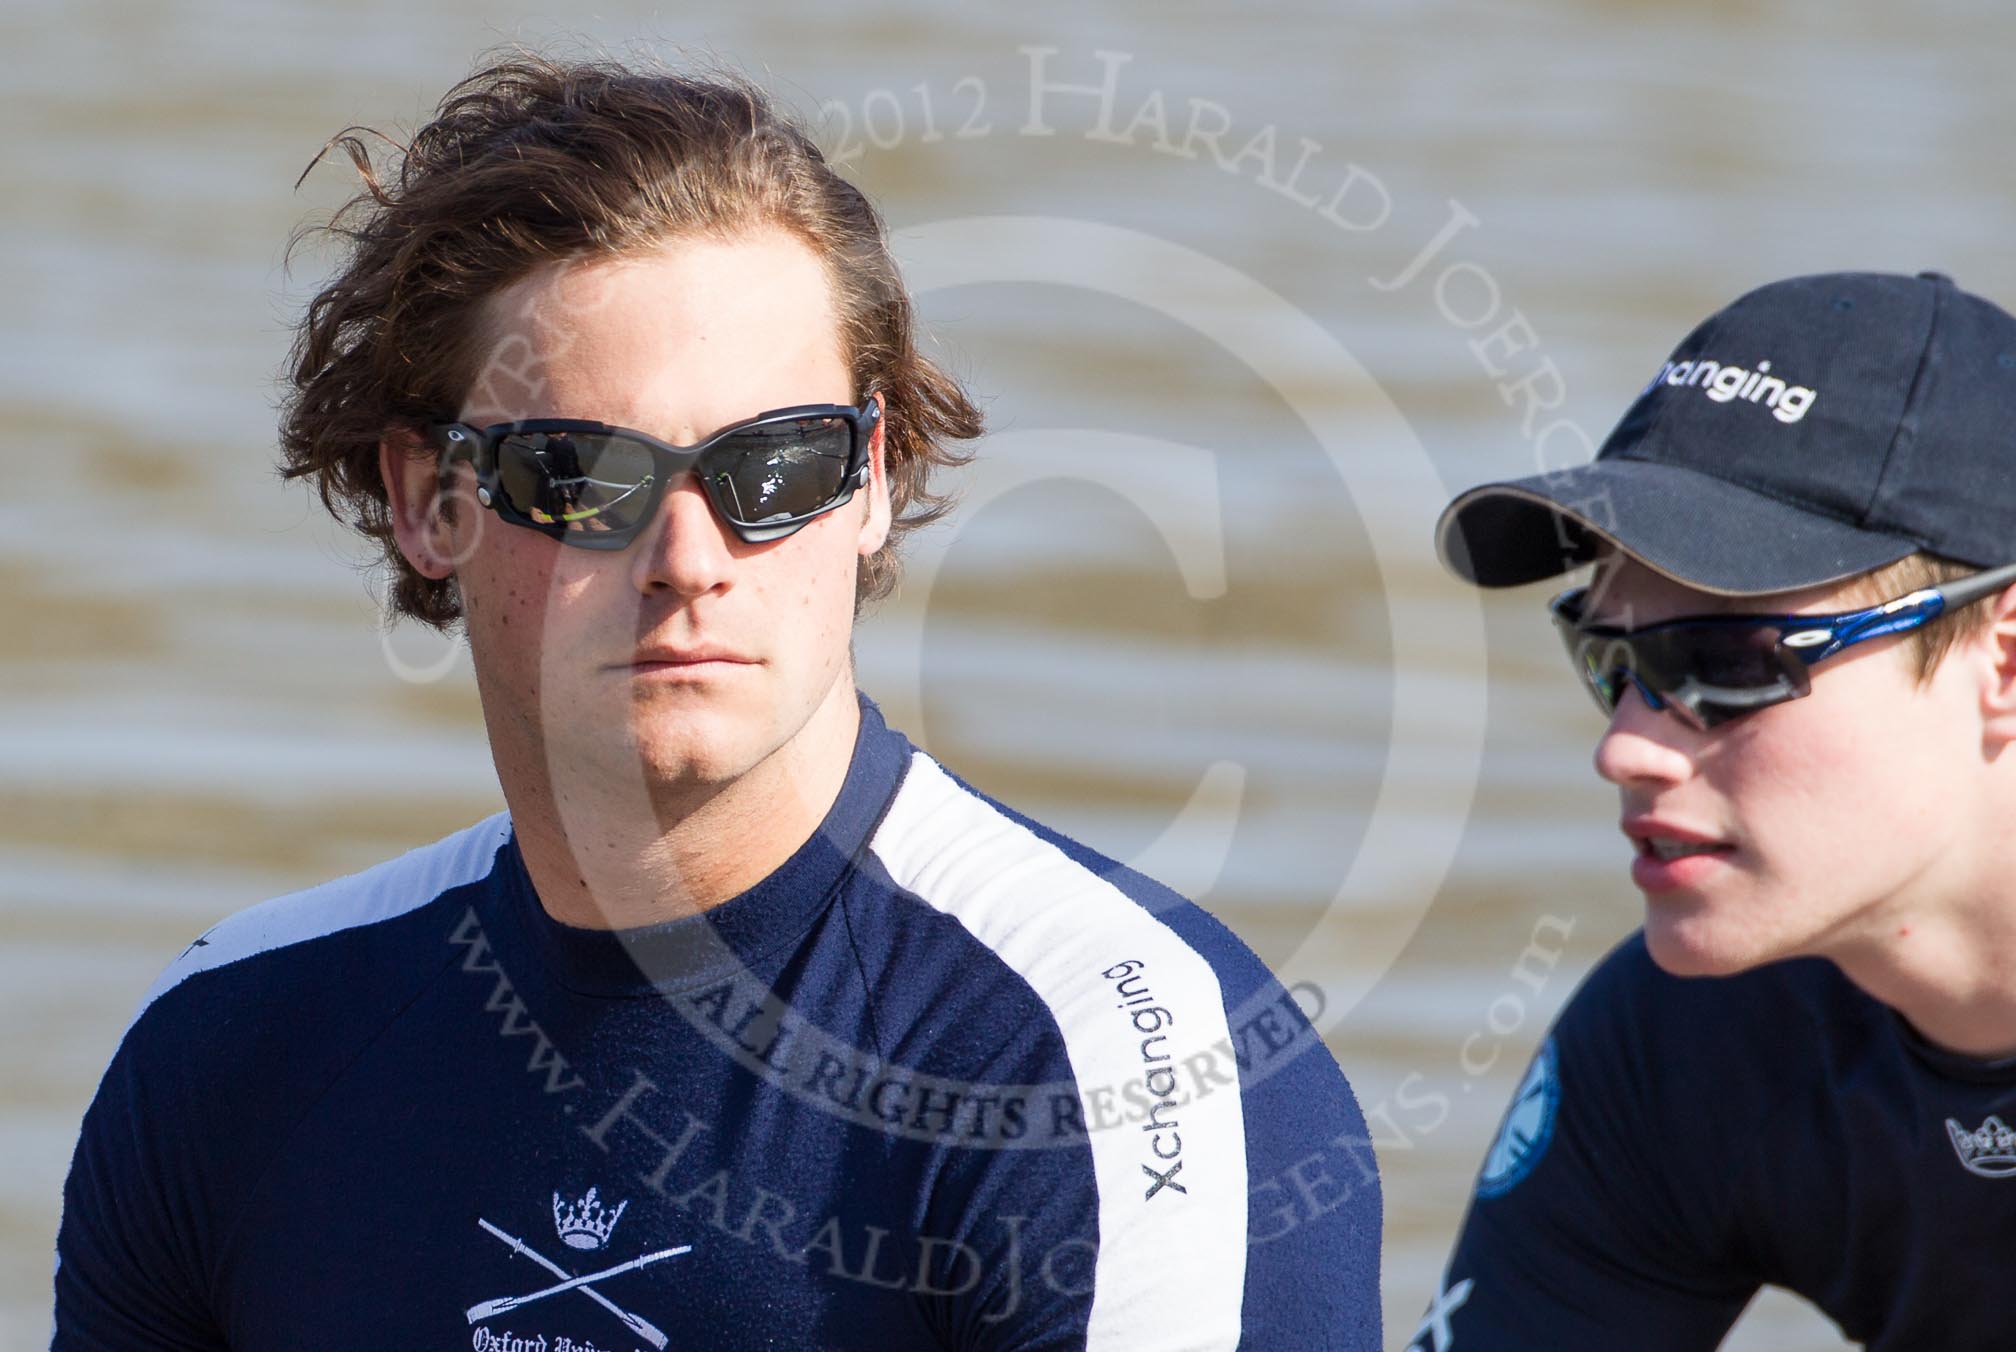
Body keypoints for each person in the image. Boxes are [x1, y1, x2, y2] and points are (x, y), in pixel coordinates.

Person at [50, 52, 1381, 1352]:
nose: (688, 560)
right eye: (581, 473)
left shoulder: (1119, 1069)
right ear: (427, 500)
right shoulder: (228, 1043)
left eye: (776, 465)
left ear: (872, 480)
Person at [1417, 269, 2016, 1350]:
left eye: (1728, 662)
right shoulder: (1680, 1044)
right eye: (1608, 659)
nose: (1624, 746)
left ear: (2012, 658)